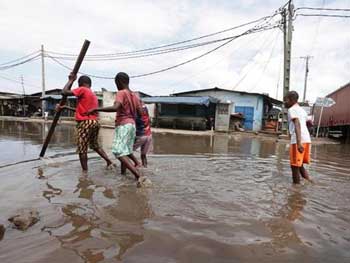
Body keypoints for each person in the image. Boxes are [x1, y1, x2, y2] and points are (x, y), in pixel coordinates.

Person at [86, 72, 143, 182]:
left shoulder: (121, 93)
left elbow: (115, 107)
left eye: (116, 83)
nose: (116, 86)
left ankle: (137, 175)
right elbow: (140, 112)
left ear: (119, 82)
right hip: (132, 125)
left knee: (117, 151)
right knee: (125, 152)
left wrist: (96, 109)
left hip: (123, 125)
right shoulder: (134, 96)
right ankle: (123, 176)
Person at [56, 74, 114, 171]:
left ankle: (84, 173)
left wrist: (70, 80)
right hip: (95, 122)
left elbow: (64, 92)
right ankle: (109, 161)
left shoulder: (82, 89)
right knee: (95, 145)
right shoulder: (93, 95)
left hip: (85, 122)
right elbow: (82, 110)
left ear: (81, 84)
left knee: (82, 149)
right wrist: (65, 107)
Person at [284, 91, 313, 184]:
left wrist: (299, 142)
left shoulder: (292, 109)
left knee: (294, 166)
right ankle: (311, 183)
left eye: (286, 100)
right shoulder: (302, 110)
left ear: (292, 100)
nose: (284, 102)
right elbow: (309, 124)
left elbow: (297, 123)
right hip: (307, 139)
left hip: (298, 140)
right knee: (299, 165)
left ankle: (296, 192)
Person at [133, 100, 153, 167]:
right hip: (149, 135)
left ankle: (135, 163)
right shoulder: (146, 113)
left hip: (141, 136)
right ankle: (145, 167)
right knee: (143, 154)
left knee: (127, 152)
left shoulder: (136, 116)